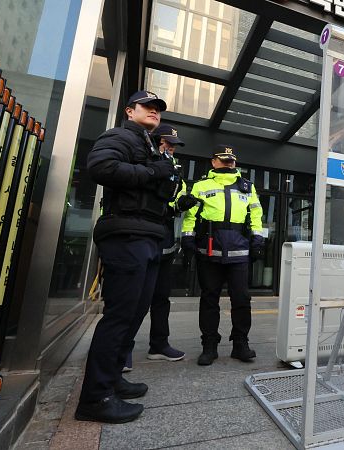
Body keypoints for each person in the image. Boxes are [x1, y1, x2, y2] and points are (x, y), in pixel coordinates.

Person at [75, 90, 179, 424]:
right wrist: (151, 173)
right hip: (126, 235)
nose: (154, 112)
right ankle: (95, 398)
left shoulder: (150, 145)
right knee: (119, 316)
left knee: (135, 314)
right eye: (148, 107)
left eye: (158, 109)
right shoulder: (120, 135)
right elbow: (101, 166)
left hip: (148, 235)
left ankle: (113, 378)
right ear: (129, 111)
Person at [122, 124, 199, 370]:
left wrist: (181, 205)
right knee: (132, 298)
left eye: (174, 145)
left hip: (163, 242)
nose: (172, 148)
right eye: (168, 143)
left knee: (161, 298)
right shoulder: (142, 162)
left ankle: (159, 345)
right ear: (155, 142)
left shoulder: (176, 170)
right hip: (137, 238)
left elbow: (171, 203)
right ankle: (121, 350)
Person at [181, 146, 265, 365]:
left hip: (239, 252)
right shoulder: (200, 186)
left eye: (232, 161)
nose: (229, 164)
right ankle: (209, 345)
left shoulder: (247, 186)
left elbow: (256, 214)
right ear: (213, 162)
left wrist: (258, 239)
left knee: (241, 300)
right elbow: (190, 216)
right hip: (209, 251)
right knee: (209, 299)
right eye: (224, 160)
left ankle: (240, 344)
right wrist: (187, 238)